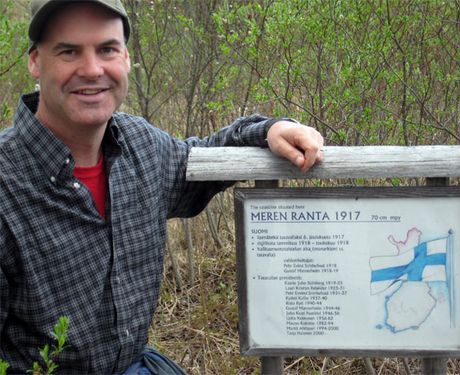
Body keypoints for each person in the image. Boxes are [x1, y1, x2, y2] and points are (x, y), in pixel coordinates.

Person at [0, 0, 323, 373]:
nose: (91, 69)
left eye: (107, 49)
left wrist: (268, 130)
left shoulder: (140, 146)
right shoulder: (8, 185)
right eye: (69, 51)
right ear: (36, 61)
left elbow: (201, 157)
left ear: (125, 60)